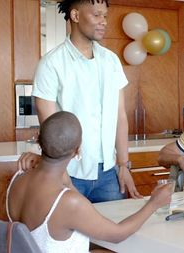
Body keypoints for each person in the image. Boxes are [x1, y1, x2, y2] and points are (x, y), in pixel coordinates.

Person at [19, 0, 142, 202]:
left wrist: (124, 165)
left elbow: (120, 116)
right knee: (70, 233)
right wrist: (60, 173)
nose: (103, 22)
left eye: (105, 16)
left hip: (109, 174)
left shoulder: (111, 61)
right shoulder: (51, 64)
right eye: (96, 15)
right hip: (68, 172)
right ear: (75, 16)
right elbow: (49, 127)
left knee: (111, 232)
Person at [7, 111, 173, 253]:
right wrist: (153, 204)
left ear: (38, 140)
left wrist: (68, 182)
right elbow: (117, 235)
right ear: (78, 150)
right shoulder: (69, 203)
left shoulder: (17, 180)